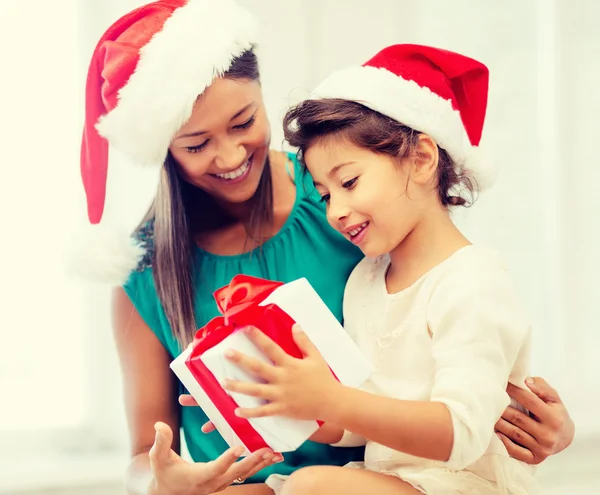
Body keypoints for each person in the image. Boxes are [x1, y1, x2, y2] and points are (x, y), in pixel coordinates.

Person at [75, 0, 575, 493]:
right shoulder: (145, 270)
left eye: (244, 121)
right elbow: (144, 453)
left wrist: (550, 427)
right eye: (196, 144)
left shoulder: (349, 194)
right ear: (164, 149)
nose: (229, 155)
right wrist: (164, 482)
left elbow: (458, 329)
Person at [216, 45, 562, 495]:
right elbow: (361, 426)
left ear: (421, 159)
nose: (335, 211)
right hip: (392, 480)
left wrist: (333, 398)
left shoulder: (473, 280)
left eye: (349, 182)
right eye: (324, 195)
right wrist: (285, 401)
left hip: (462, 484)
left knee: (310, 487)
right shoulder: (365, 280)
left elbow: (461, 433)